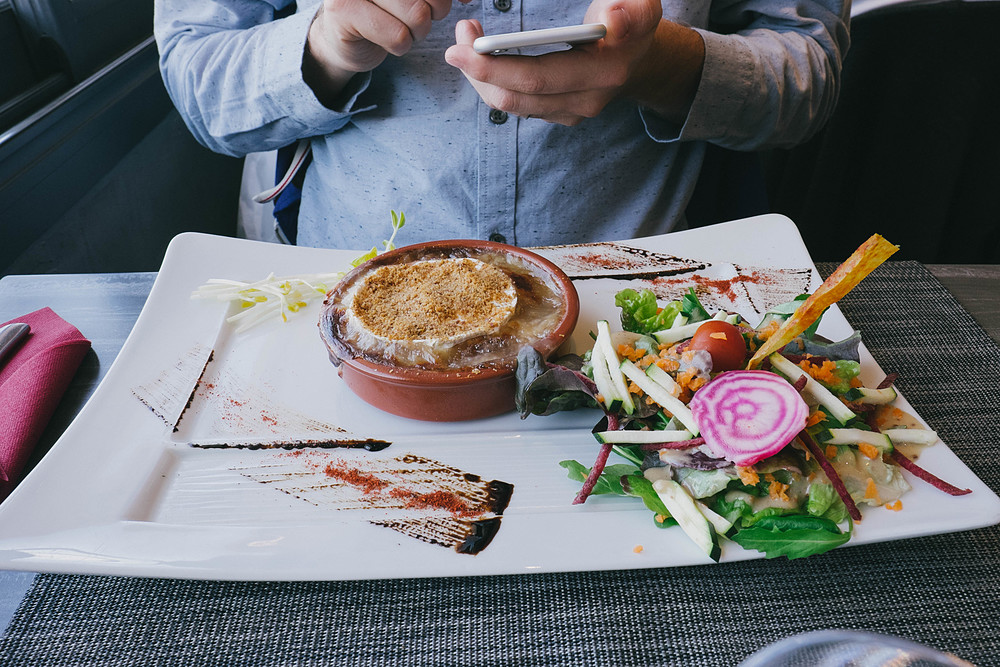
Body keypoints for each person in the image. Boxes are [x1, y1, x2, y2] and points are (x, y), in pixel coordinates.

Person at [153, 0, 849, 249]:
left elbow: (808, 79)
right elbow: (198, 79)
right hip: (347, 320)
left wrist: (662, 65)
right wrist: (325, 48)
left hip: (638, 334)